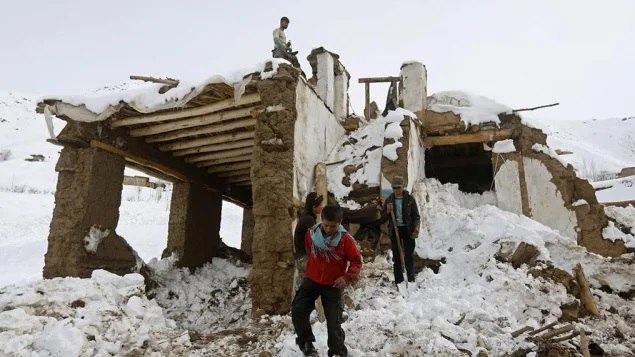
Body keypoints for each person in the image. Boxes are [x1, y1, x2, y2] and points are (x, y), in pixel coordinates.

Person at [292, 205, 362, 357]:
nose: (329, 229)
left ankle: (337, 352)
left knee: (334, 324)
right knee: (298, 309)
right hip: (311, 280)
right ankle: (306, 345)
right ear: (321, 221)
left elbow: (357, 261)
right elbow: (309, 251)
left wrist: (346, 277)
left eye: (333, 226)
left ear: (340, 223)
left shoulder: (346, 240)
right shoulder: (311, 235)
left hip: (333, 284)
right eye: (326, 225)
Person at [380, 176, 420, 284]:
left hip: (408, 230)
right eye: (394, 188)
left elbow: (416, 216)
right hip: (395, 230)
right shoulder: (389, 200)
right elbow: (382, 219)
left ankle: (411, 279)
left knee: (408, 255)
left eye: (398, 188)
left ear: (403, 187)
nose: (396, 190)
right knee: (396, 257)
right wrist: (388, 211)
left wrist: (416, 227)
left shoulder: (410, 199)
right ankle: (399, 281)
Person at [293, 192, 324, 290]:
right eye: (320, 205)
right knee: (308, 288)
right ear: (314, 207)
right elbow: (317, 241)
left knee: (305, 288)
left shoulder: (307, 217)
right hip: (304, 258)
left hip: (303, 257)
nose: (322, 207)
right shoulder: (309, 220)